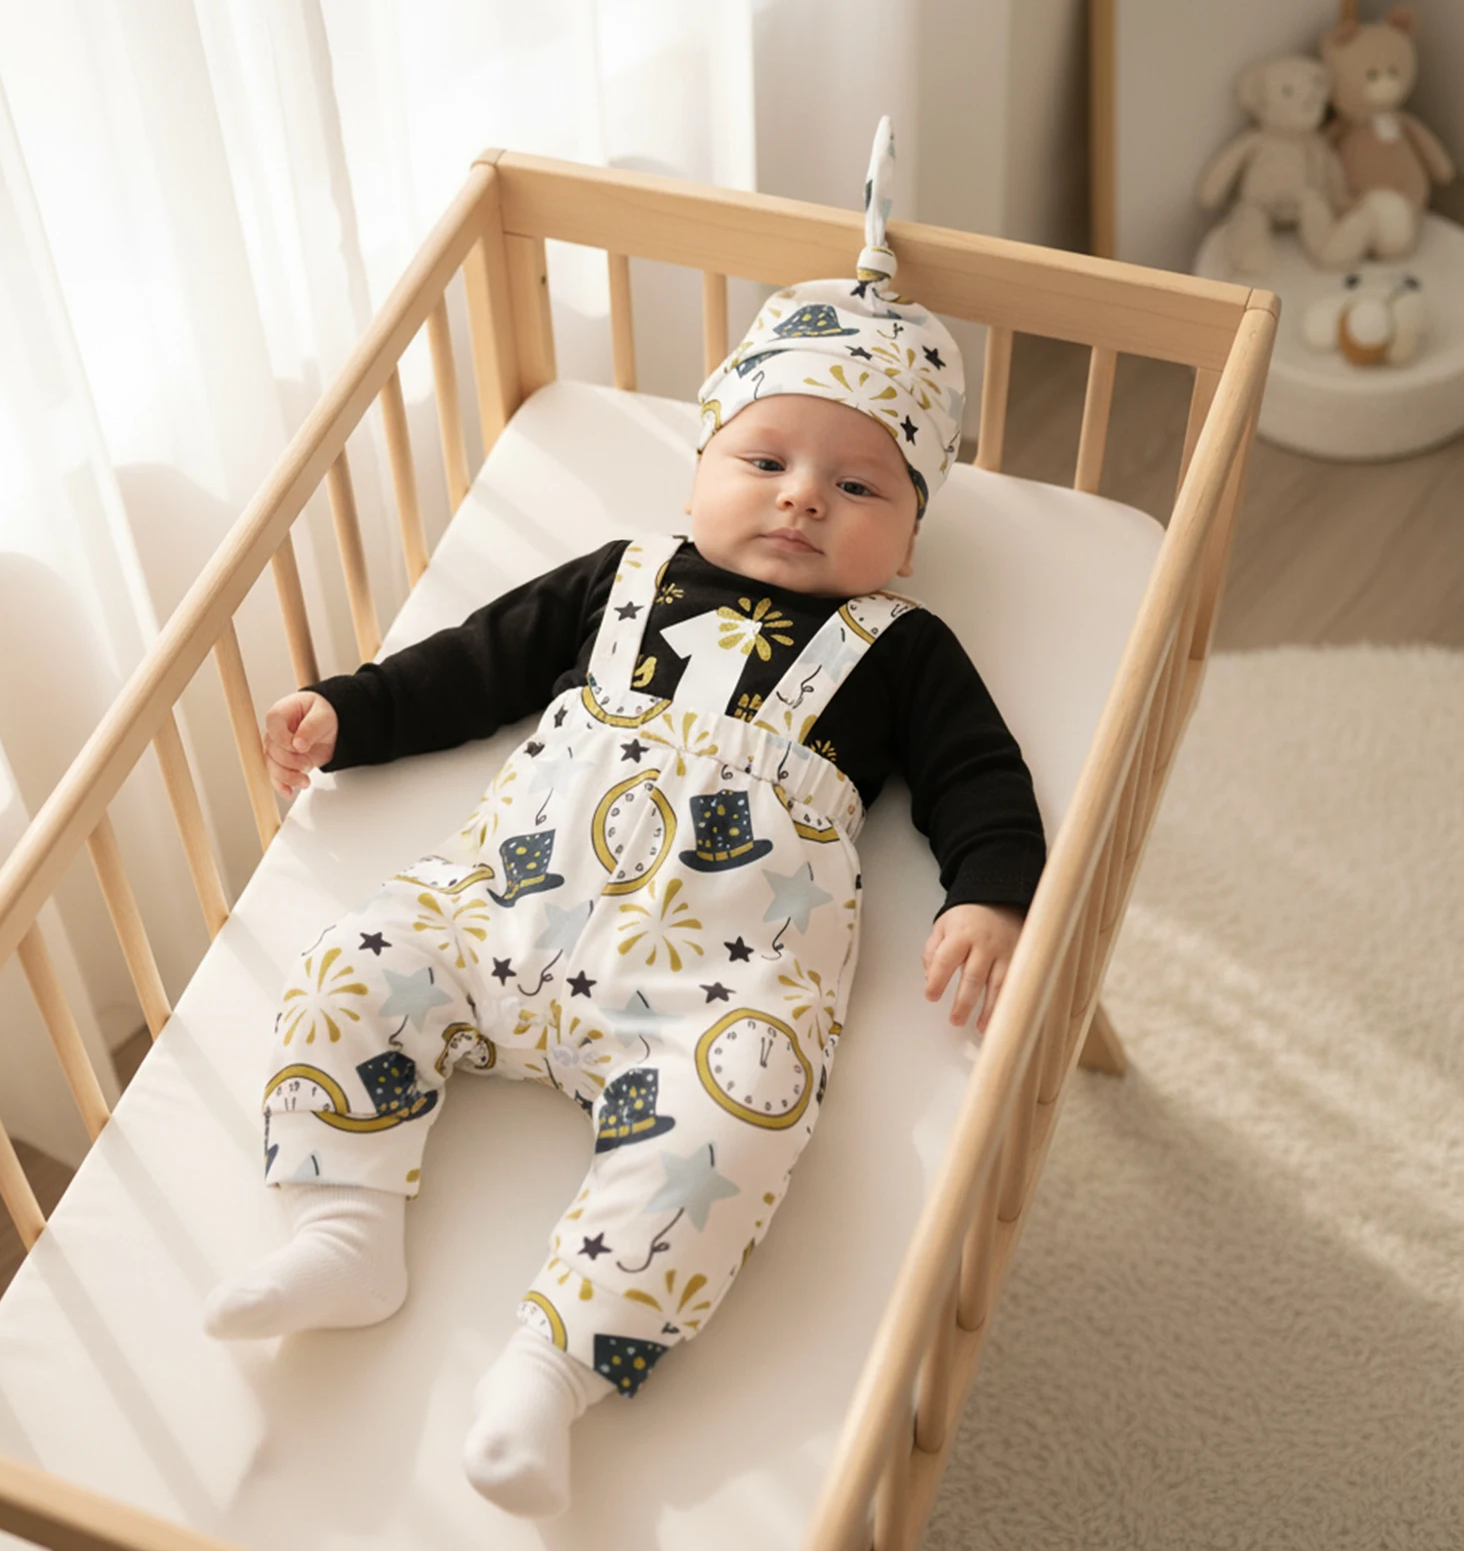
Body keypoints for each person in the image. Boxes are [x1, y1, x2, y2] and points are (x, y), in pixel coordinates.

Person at [202, 119, 1045, 1519]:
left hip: (708, 988)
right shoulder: (624, 577)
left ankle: (554, 1368)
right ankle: (346, 1227)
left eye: (858, 486)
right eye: (766, 459)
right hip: (502, 915)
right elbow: (476, 662)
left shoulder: (902, 649)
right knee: (359, 962)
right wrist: (352, 711)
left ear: (911, 531)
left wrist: (991, 892)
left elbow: (981, 777)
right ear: (700, 461)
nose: (802, 498)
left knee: (745, 1112)